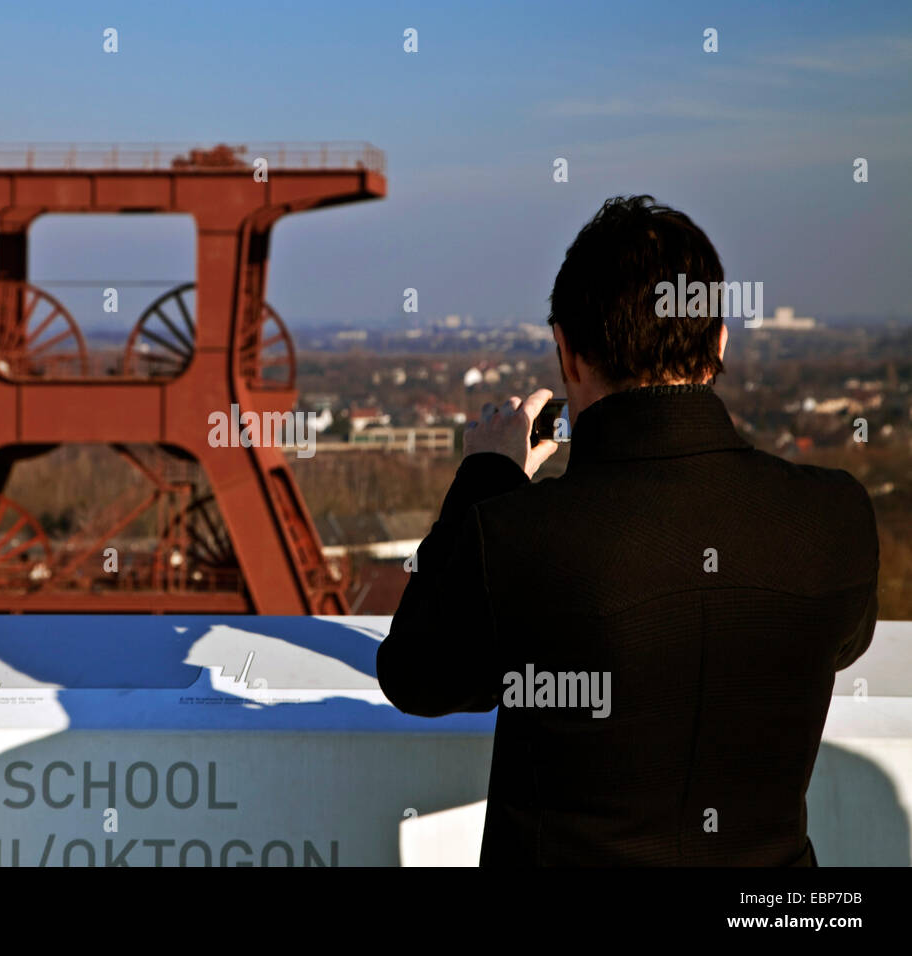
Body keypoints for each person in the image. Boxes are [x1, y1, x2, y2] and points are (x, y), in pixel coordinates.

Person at [377, 195, 880, 866]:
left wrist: (487, 475)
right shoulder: (836, 518)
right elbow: (836, 644)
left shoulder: (515, 537)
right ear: (720, 342)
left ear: (567, 353)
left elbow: (415, 675)